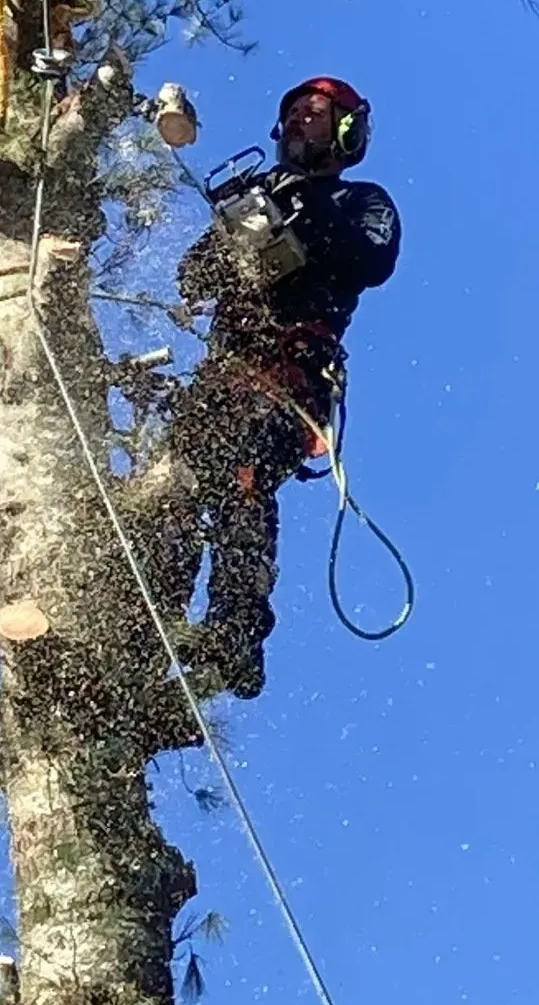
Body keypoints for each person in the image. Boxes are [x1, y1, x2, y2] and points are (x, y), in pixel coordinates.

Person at [163, 77, 401, 698]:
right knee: (174, 485)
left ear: (345, 131)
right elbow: (192, 276)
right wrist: (242, 225)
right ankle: (151, 616)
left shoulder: (361, 200)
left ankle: (235, 630)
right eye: (293, 113)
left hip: (289, 377)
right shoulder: (259, 196)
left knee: (242, 473)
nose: (299, 121)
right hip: (221, 375)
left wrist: (302, 206)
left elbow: (372, 259)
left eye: (314, 113)